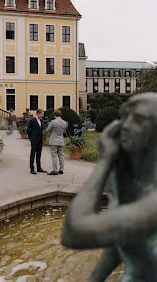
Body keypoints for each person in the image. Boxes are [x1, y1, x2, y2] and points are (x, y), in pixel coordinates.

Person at [62, 93, 157, 282]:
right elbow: (122, 237)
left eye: (138, 120)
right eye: (124, 117)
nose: (125, 126)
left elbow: (74, 233)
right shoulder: (131, 181)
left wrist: (105, 162)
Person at [46, 110, 67, 175]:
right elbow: (64, 132)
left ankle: (55, 170)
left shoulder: (53, 122)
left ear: (54, 115)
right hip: (61, 140)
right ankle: (61, 169)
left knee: (54, 156)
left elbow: (47, 130)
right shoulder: (64, 122)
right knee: (61, 155)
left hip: (53, 141)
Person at [27, 109, 47, 174]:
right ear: (38, 114)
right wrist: (31, 139)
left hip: (40, 140)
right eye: (42, 114)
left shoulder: (41, 120)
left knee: (39, 154)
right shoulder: (32, 121)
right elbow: (28, 131)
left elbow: (41, 130)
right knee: (33, 154)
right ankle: (32, 169)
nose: (42, 116)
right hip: (34, 140)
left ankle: (39, 168)